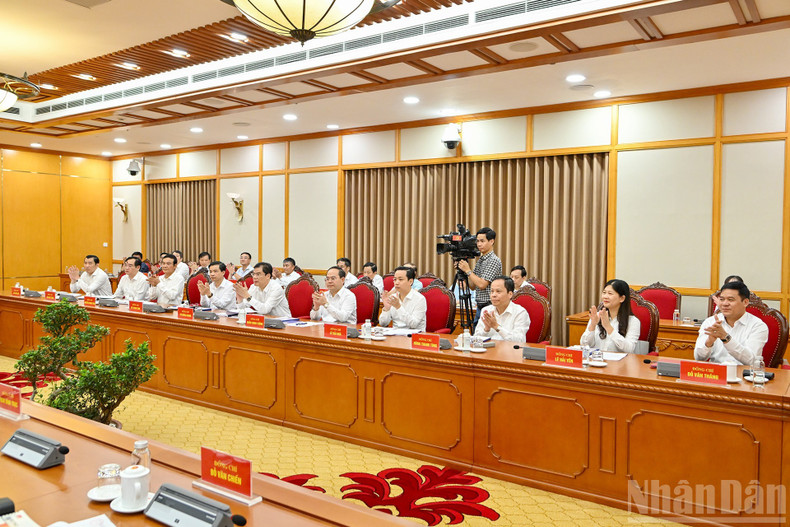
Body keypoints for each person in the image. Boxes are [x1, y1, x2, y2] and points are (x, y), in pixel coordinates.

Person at [694, 281, 768, 365]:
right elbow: (699, 358)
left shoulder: (758, 326)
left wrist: (725, 338)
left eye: (730, 300)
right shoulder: (710, 322)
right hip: (715, 374)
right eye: (722, 299)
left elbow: (751, 361)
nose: (725, 304)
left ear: (745, 302)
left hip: (743, 375)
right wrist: (708, 342)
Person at [456, 227, 502, 330]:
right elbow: (473, 286)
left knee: (484, 337)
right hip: (480, 306)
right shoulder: (481, 260)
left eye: (482, 241)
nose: (479, 244)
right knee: (477, 335)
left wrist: (468, 270)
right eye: (477, 241)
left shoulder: (493, 260)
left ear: (491, 241)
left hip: (490, 306)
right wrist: (463, 271)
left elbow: (482, 285)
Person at [580, 279, 641, 353]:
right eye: (604, 292)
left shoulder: (633, 321)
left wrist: (608, 327)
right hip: (597, 361)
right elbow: (584, 345)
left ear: (622, 298)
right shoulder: (597, 316)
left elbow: (629, 349)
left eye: (610, 293)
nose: (605, 296)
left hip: (620, 363)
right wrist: (592, 325)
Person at [474, 276, 530, 343]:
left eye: (498, 291)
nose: (493, 295)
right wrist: (486, 329)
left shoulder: (520, 312)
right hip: (488, 351)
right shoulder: (486, 310)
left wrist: (496, 326)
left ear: (510, 294)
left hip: (510, 352)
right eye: (492, 291)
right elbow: (475, 339)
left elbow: (519, 341)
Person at [379, 266, 427, 332]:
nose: (396, 283)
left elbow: (413, 324)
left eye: (400, 279)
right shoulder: (393, 298)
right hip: (395, 336)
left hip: (413, 337)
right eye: (395, 279)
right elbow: (383, 323)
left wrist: (398, 307)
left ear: (410, 281)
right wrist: (386, 309)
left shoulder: (420, 299)